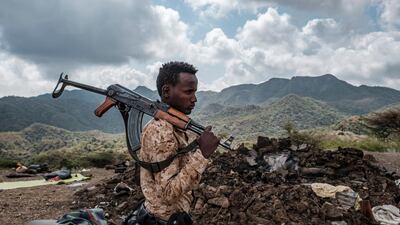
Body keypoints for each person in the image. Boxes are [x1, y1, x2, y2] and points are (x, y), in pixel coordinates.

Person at [124, 62, 220, 225]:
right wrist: (203, 155)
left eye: (194, 92)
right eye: (188, 92)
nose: (194, 99)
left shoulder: (175, 127)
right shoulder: (161, 130)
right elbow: (168, 193)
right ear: (166, 91)